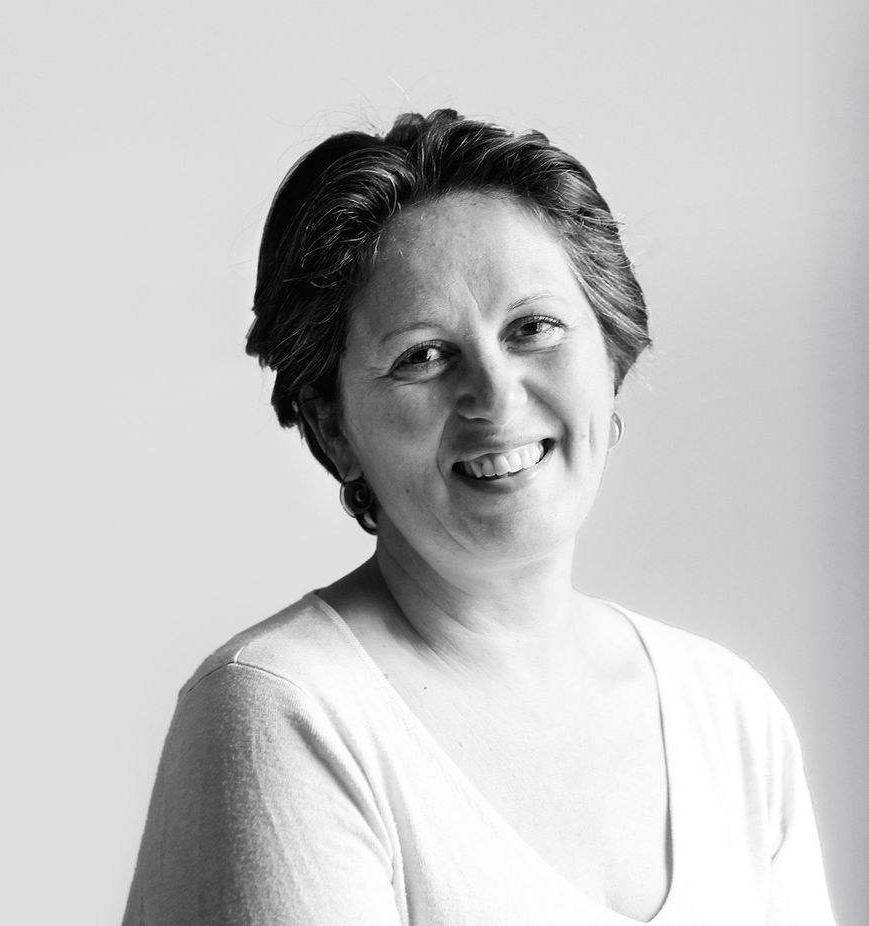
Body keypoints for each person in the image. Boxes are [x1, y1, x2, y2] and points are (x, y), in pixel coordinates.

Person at [122, 110, 837, 925]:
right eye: (423, 355)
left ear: (610, 357)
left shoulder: (732, 714)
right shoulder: (284, 710)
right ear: (334, 427)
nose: (496, 397)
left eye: (534, 328)